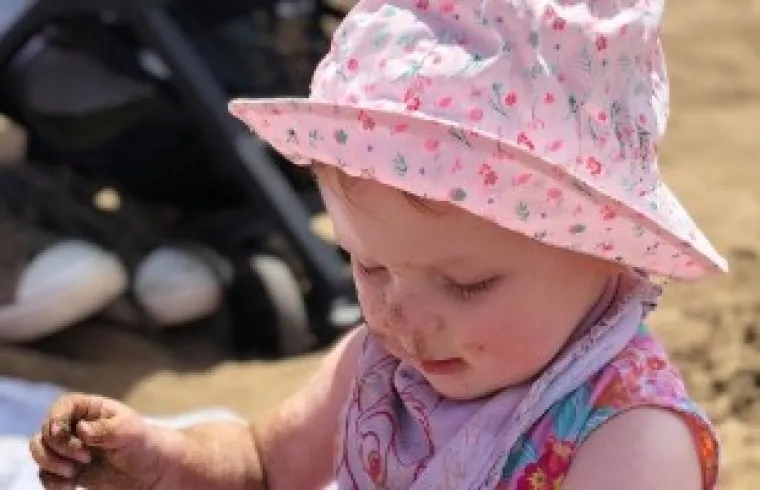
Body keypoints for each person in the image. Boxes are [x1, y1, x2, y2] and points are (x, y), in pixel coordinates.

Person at [29, 0, 728, 488]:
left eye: (467, 284)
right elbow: (263, 464)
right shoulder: (386, 361)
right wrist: (162, 459)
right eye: (368, 265)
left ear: (600, 247)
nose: (402, 315)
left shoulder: (627, 435)